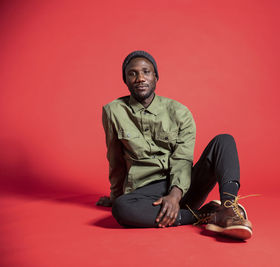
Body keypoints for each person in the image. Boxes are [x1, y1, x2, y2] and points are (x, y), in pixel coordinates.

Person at [96, 50, 253, 240]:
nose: (140, 78)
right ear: (125, 80)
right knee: (122, 209)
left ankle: (228, 209)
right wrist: (115, 198)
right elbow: (115, 160)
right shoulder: (113, 111)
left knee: (224, 140)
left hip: (184, 187)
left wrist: (175, 195)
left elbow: (183, 158)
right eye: (132, 73)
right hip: (147, 193)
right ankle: (204, 214)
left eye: (146, 72)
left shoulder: (179, 112)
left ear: (156, 77)